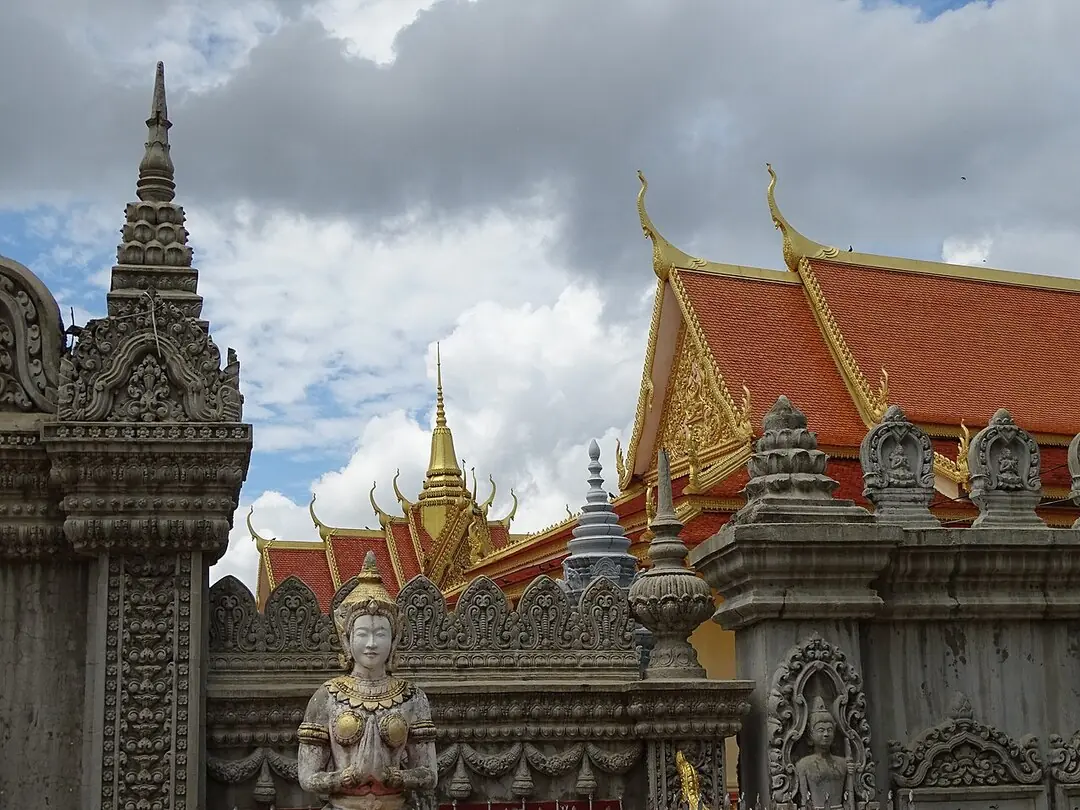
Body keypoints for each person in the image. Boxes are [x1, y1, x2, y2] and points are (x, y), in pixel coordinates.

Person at [298, 551, 437, 810]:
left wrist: (394, 776)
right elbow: (308, 776)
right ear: (347, 640)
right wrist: (346, 777)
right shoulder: (327, 696)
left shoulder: (412, 697)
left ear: (393, 640)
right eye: (362, 634)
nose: (372, 643)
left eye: (380, 633)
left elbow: (428, 774)